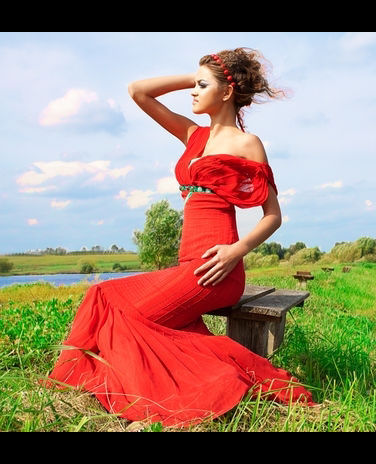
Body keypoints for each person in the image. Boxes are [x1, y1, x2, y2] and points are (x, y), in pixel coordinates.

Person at [44, 48, 316, 428]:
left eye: (202, 85)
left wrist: (236, 252)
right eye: (193, 84)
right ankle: (78, 376)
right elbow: (138, 91)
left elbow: (273, 215)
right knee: (101, 295)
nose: (193, 91)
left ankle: (205, 384)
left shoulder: (248, 143)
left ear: (227, 92)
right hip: (187, 264)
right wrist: (198, 75)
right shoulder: (192, 135)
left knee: (130, 316)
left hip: (217, 269)